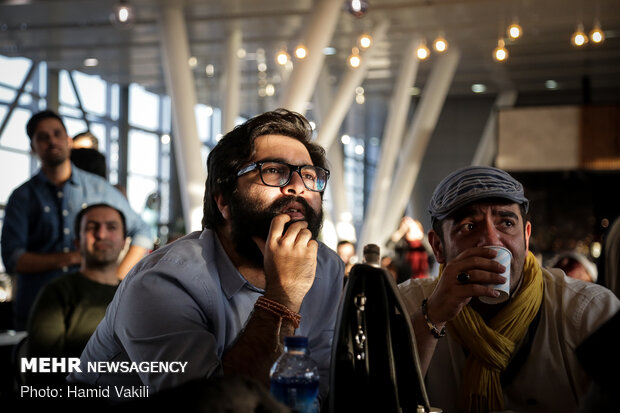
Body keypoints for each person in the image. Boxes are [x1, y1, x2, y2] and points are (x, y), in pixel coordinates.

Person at [68, 109, 344, 404]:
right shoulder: (163, 282)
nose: (298, 186)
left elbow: (323, 384)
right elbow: (218, 407)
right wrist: (281, 299)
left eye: (310, 175)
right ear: (223, 200)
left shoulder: (325, 267)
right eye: (274, 171)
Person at [397, 165, 620, 413]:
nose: (492, 240)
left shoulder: (587, 311)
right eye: (469, 226)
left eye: (506, 223)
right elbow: (381, 399)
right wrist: (433, 315)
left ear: (525, 239)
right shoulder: (407, 304)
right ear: (438, 247)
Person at [1, 110, 153, 330]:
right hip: (36, 312)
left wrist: (117, 281)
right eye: (43, 137)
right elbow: (13, 259)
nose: (52, 141)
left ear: (68, 140)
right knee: (43, 364)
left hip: (93, 312)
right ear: (33, 147)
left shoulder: (99, 189)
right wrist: (69, 258)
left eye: (57, 134)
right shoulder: (22, 197)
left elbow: (143, 232)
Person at [26, 203, 125, 385]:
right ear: (77, 242)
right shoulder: (57, 292)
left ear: (124, 242)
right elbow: (42, 371)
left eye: (111, 227)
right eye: (91, 227)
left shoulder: (131, 293)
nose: (101, 235)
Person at [386, 216, 432, 283]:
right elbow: (388, 245)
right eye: (407, 230)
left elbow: (431, 251)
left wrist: (419, 234)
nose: (408, 231)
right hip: (403, 281)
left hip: (422, 281)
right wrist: (401, 231)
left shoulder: (422, 244)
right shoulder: (402, 244)